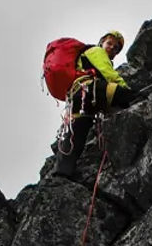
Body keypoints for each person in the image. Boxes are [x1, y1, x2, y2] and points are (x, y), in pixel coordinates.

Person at [54, 31, 136, 177]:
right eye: (109, 43)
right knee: (122, 94)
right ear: (101, 42)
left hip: (78, 97)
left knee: (78, 131)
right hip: (88, 90)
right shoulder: (96, 51)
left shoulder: (89, 55)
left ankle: (63, 171)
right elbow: (109, 74)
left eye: (115, 48)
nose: (111, 48)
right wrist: (127, 90)